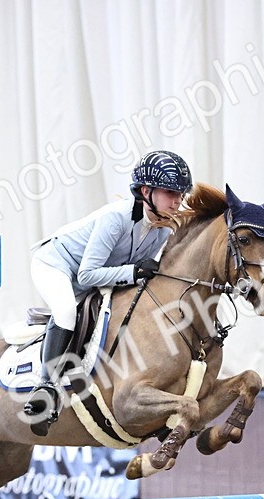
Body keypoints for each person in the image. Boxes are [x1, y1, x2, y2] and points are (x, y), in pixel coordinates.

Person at [22, 150, 192, 435]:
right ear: (146, 191)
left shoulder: (162, 231)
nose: (178, 201)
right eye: (170, 192)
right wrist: (134, 272)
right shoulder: (116, 218)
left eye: (181, 194)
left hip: (93, 277)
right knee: (65, 311)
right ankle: (46, 386)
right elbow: (87, 274)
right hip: (56, 264)